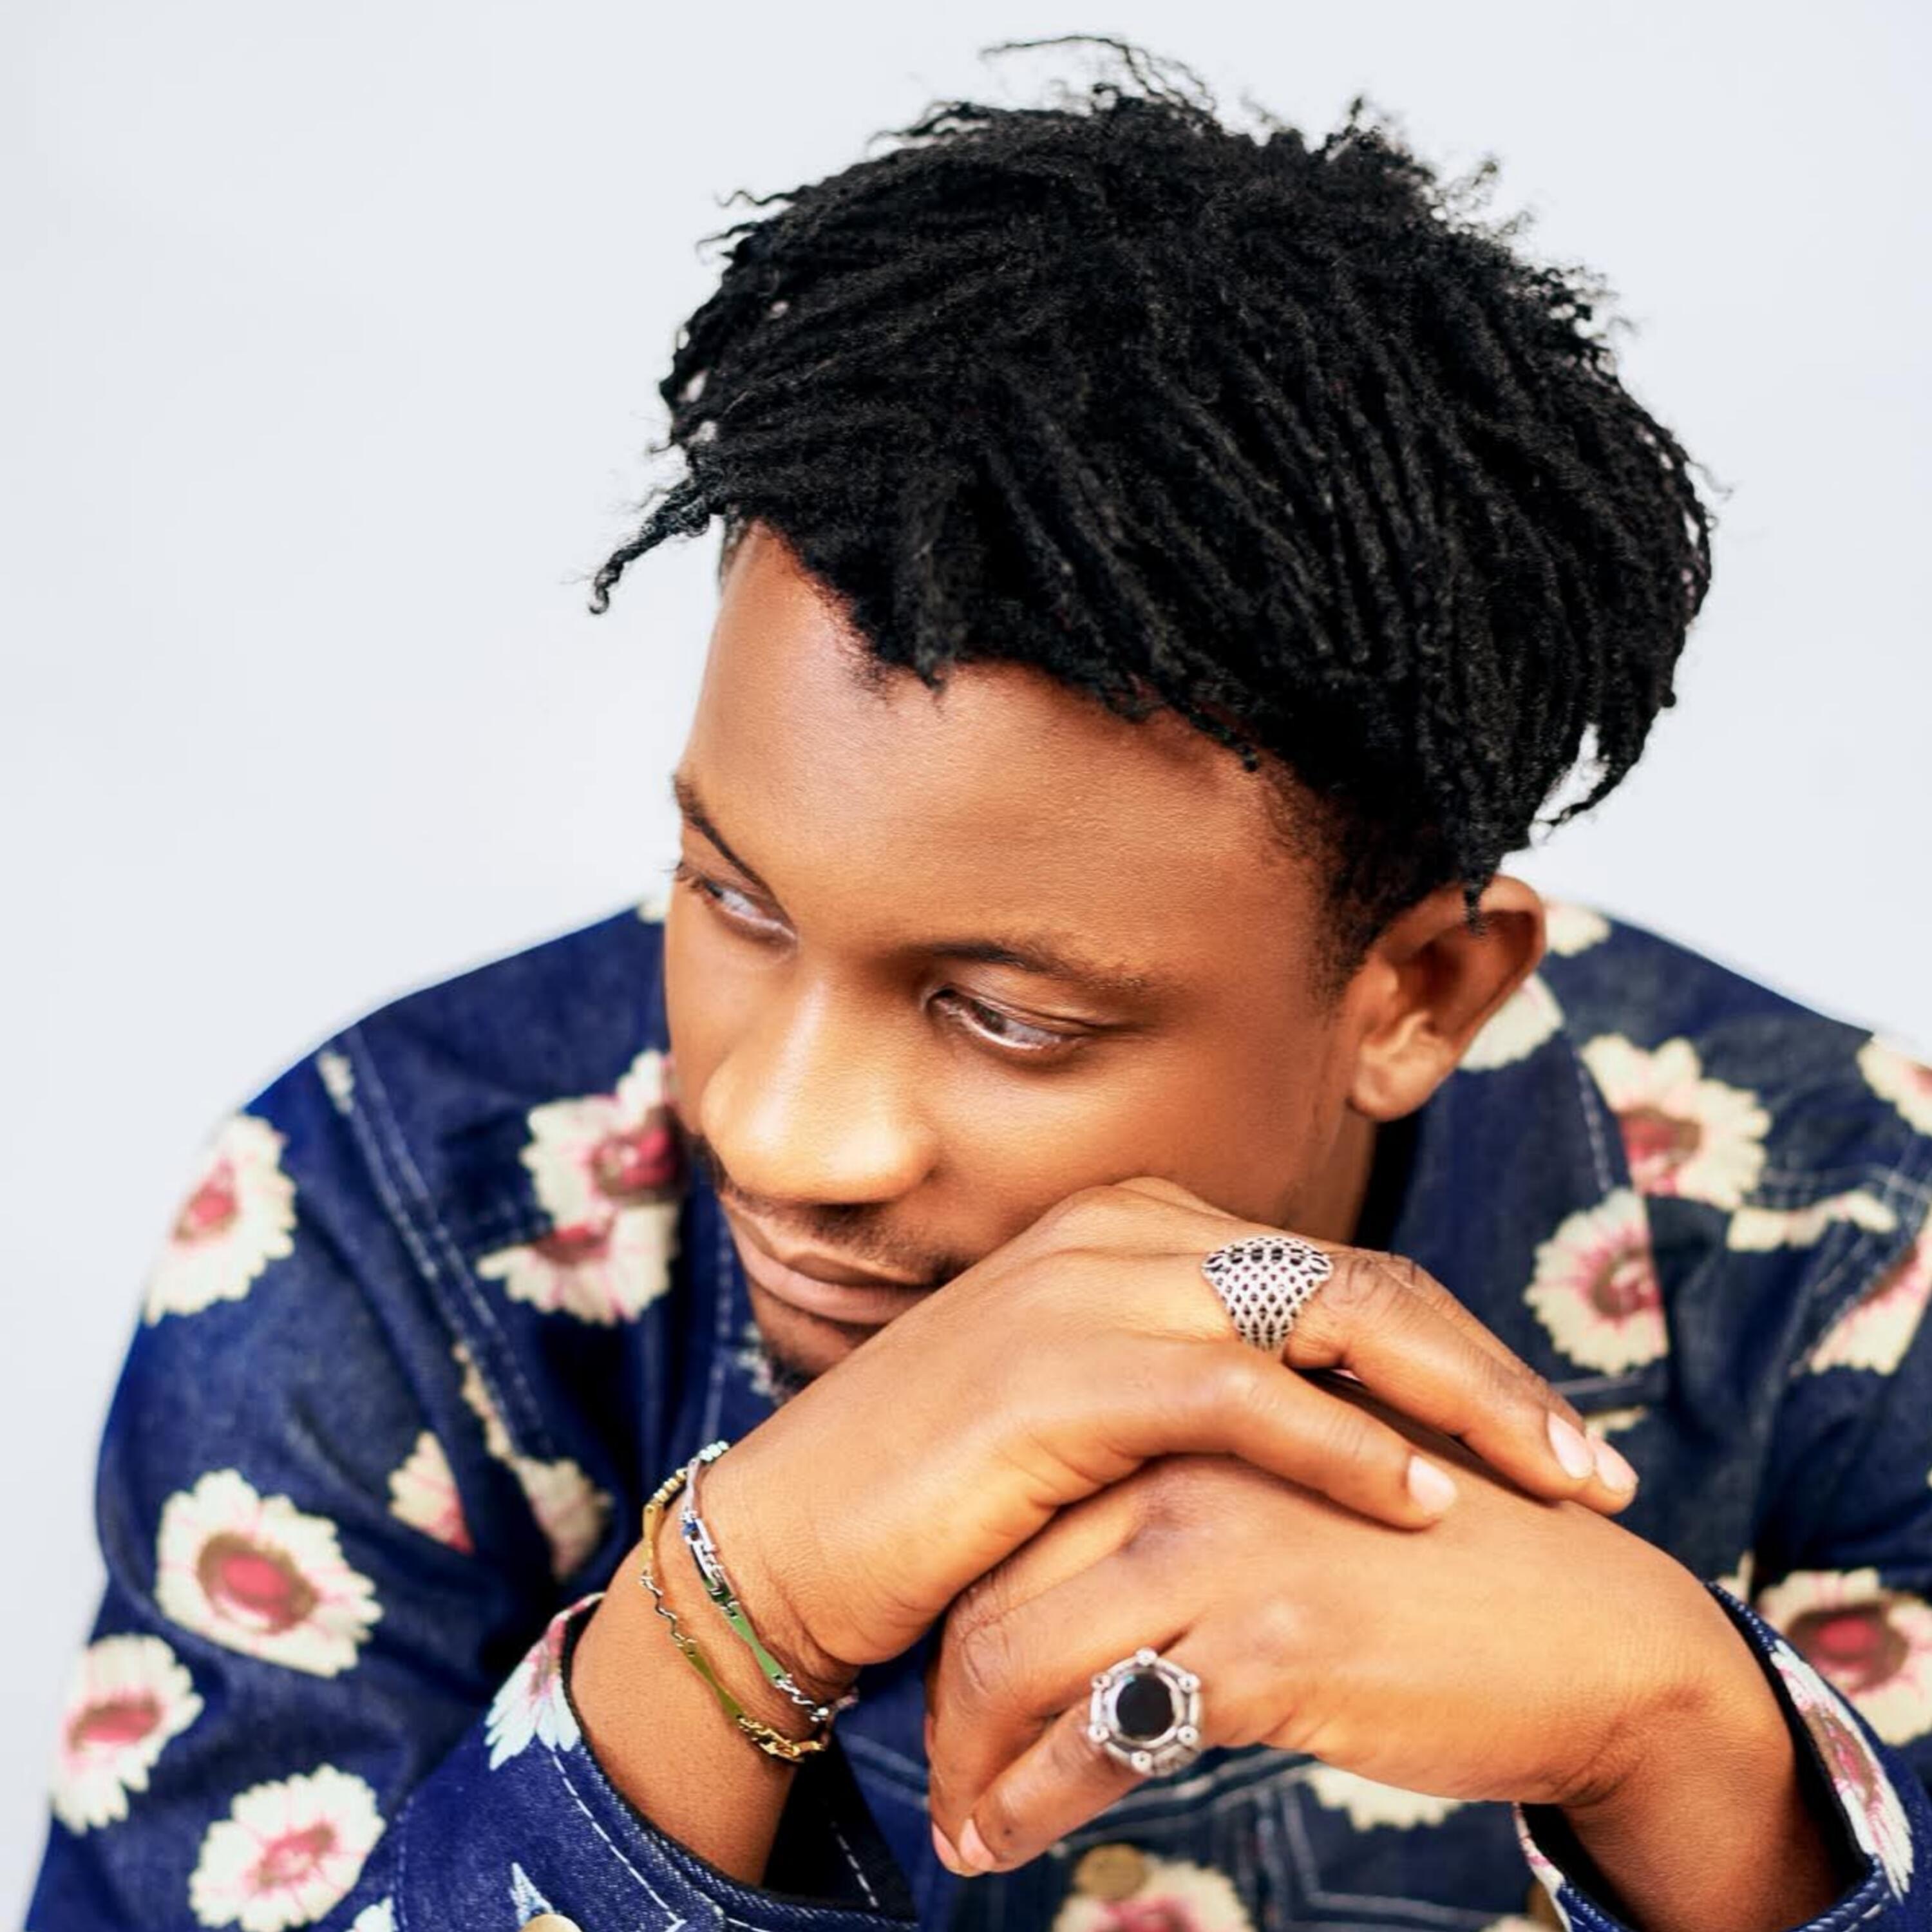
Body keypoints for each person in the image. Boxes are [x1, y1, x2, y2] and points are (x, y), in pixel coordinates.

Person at [26, 37, 1932, 1932]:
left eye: (1009, 1015)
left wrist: (1694, 1758)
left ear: (1417, 993)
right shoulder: (391, 1224)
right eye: (731, 898)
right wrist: (727, 1617)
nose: (776, 1130)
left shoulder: (1848, 1251)